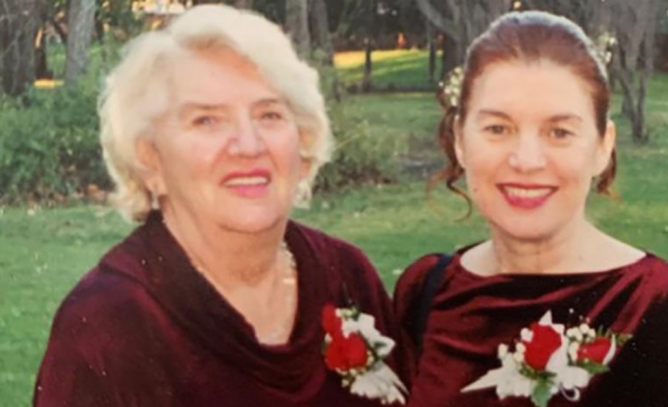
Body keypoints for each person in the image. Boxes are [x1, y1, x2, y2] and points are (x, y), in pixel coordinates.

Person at [34, 5, 405, 407]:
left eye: (269, 114)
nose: (249, 145)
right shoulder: (108, 324)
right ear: (151, 161)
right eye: (207, 120)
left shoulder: (348, 276)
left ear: (303, 142)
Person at [394, 11, 668, 407]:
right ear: (460, 140)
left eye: (559, 132)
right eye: (498, 129)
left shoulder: (660, 308)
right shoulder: (427, 292)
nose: (526, 159)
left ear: (603, 147)